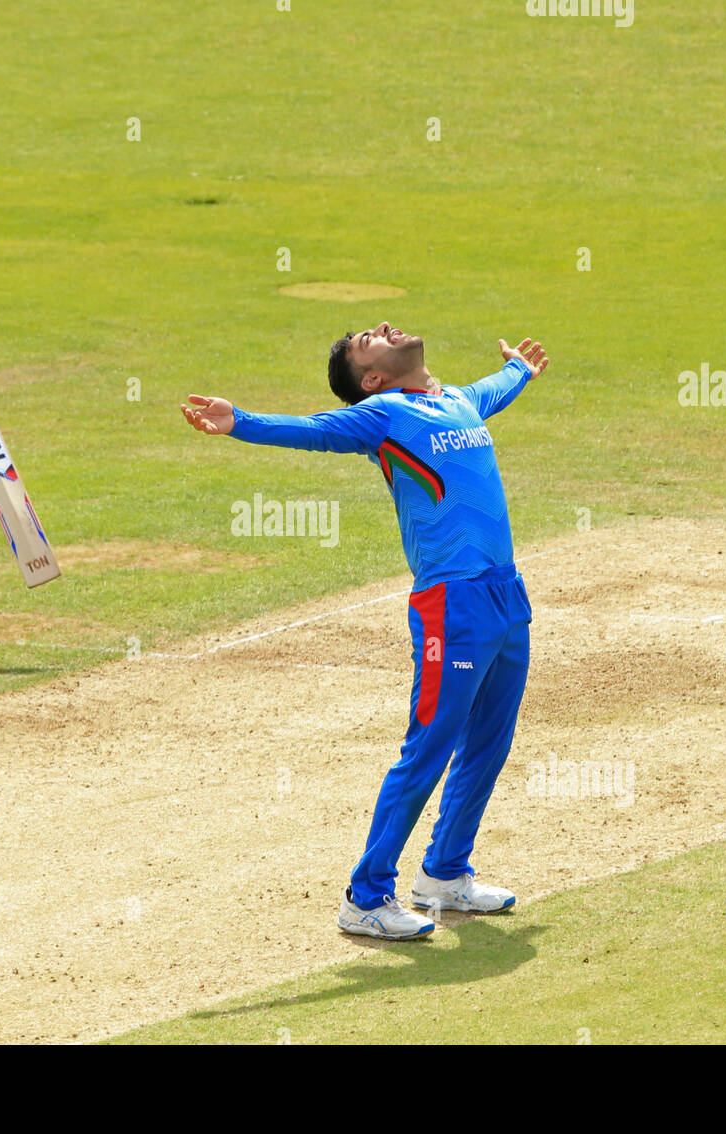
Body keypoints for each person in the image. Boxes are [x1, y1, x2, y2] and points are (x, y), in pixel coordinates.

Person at [181, 323, 548, 939]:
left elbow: (491, 391)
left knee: (490, 739)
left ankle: (444, 876)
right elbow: (315, 430)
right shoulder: (381, 414)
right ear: (372, 378)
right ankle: (366, 895)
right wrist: (240, 420)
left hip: (506, 594)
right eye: (363, 343)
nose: (379, 328)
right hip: (451, 606)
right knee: (429, 747)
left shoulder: (455, 399)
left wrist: (518, 372)